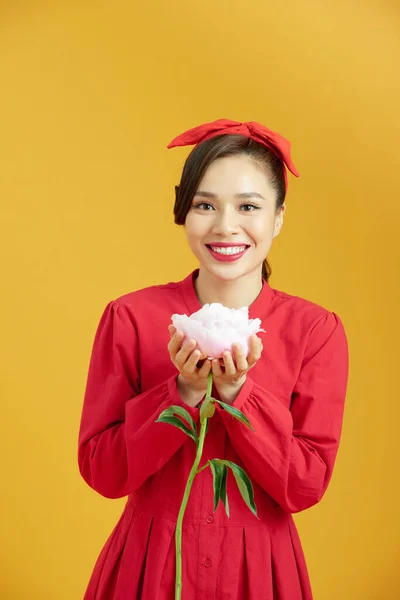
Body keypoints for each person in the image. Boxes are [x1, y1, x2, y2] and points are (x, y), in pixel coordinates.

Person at [78, 119, 349, 599]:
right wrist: (179, 393)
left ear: (278, 217)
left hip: (259, 572)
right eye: (206, 205)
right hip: (150, 566)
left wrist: (236, 394)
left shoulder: (314, 331)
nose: (226, 225)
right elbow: (102, 470)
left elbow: (303, 486)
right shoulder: (131, 317)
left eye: (248, 206)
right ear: (183, 211)